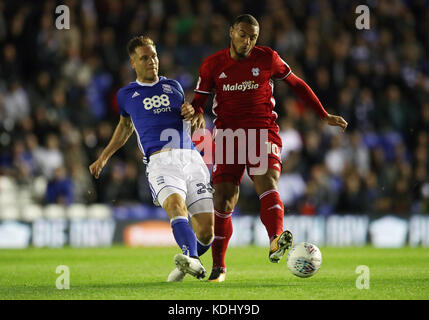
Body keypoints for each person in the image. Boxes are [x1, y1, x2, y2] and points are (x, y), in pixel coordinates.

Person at [183, 14, 348, 282]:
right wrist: (196, 112)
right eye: (243, 34)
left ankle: (275, 239)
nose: (247, 41)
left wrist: (322, 113)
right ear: (231, 31)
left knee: (267, 181)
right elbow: (199, 101)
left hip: (262, 132)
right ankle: (219, 267)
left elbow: (296, 84)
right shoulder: (212, 64)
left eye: (253, 37)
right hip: (227, 137)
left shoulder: (267, 58)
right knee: (224, 199)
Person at [89, 36, 214, 282]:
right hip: (160, 162)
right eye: (144, 58)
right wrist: (104, 157)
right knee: (176, 207)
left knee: (208, 232)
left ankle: (187, 261)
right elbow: (124, 127)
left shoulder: (174, 87)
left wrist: (193, 112)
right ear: (132, 62)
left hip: (190, 157)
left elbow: (192, 117)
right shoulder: (125, 95)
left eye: (154, 56)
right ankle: (194, 260)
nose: (152, 61)